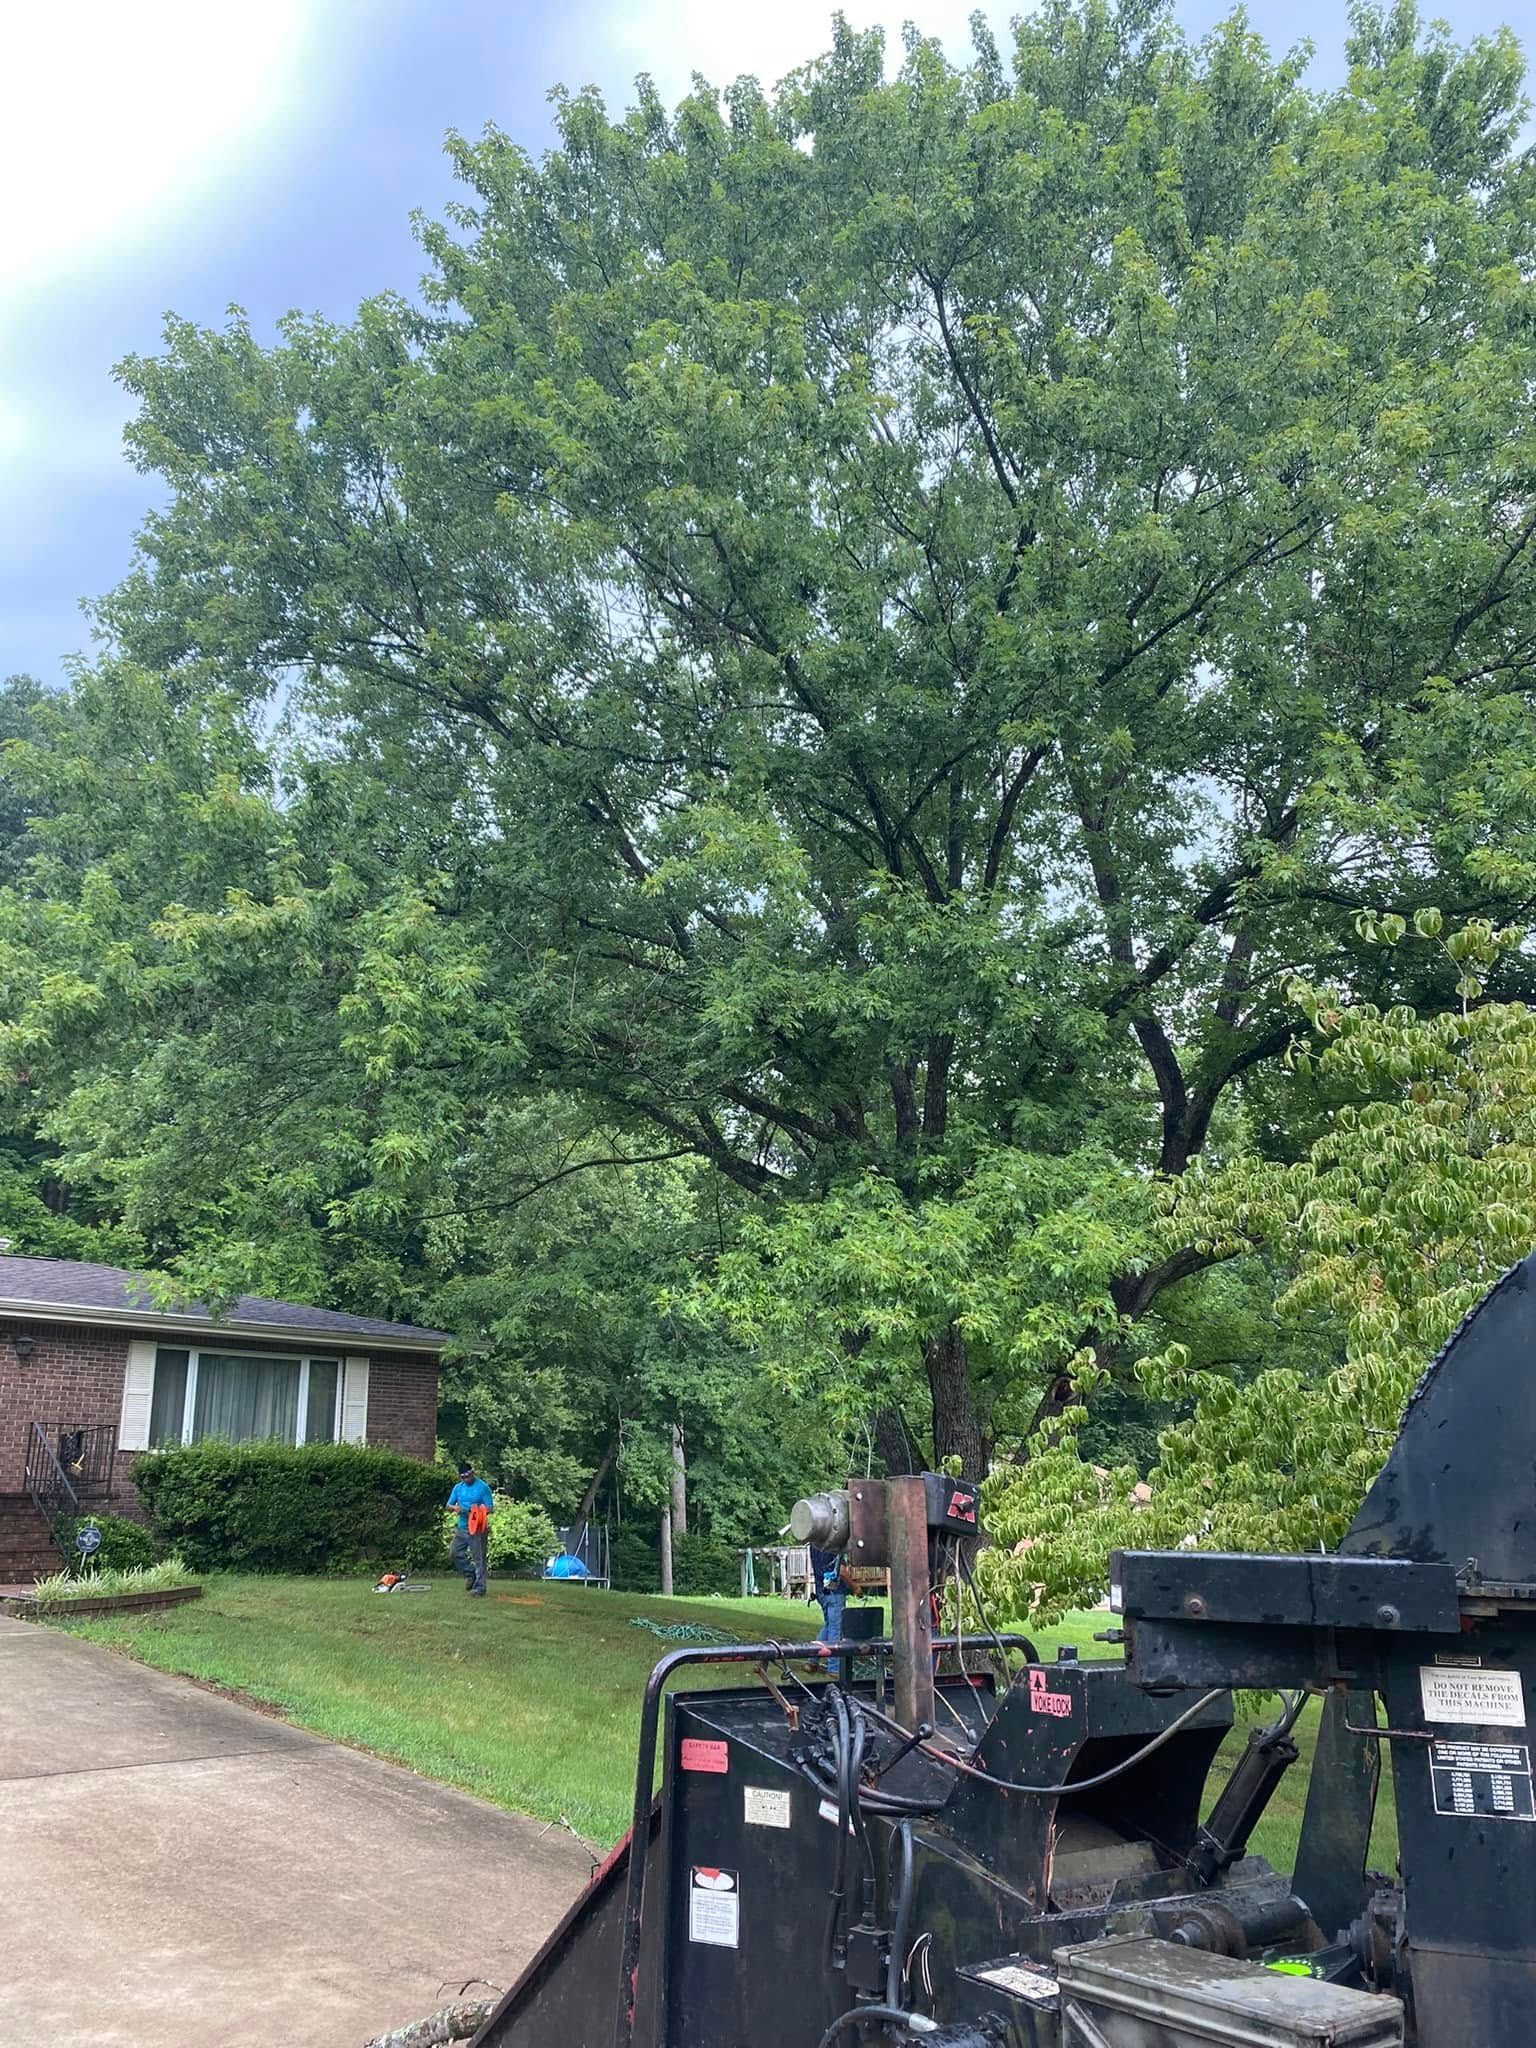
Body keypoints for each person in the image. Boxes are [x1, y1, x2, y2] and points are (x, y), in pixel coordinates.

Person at [447, 1460, 494, 1596]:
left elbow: (490, 1508)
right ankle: (470, 1573)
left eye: (468, 1476)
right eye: (463, 1477)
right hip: (462, 1527)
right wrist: (455, 1507)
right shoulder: (458, 1488)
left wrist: (475, 1511)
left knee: (479, 1559)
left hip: (478, 1529)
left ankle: (480, 1588)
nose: (466, 1479)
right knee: (454, 1553)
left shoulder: (483, 1487)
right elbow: (448, 1505)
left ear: (472, 1473)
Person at [809, 1542, 848, 1648]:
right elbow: (842, 1571)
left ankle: (812, 1660)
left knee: (829, 1626)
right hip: (834, 1592)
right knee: (836, 1632)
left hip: (821, 1591)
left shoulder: (814, 1545)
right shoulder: (834, 1546)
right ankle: (834, 1664)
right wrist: (856, 1587)